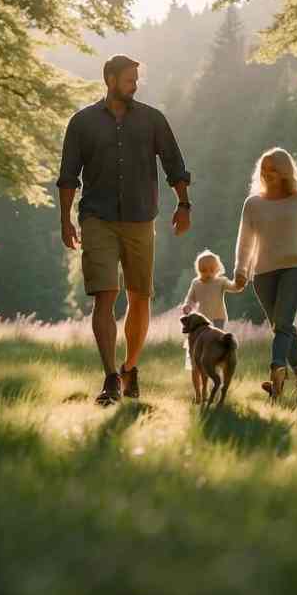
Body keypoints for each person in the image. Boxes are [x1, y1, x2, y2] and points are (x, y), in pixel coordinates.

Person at [57, 54, 192, 406]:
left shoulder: (152, 119)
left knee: (140, 296)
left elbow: (175, 162)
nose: (135, 84)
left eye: (137, 79)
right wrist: (65, 219)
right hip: (97, 218)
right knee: (104, 294)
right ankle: (110, 377)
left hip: (140, 218)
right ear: (110, 80)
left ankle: (130, 366)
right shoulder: (82, 122)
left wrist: (184, 203)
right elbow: (68, 175)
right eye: (129, 79)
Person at [233, 147, 297, 399]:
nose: (267, 173)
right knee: (283, 325)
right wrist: (241, 270)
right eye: (264, 169)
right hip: (263, 273)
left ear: (285, 171)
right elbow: (245, 241)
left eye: (273, 169)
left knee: (282, 324)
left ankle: (276, 370)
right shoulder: (253, 203)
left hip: (296, 267)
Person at [181, 249, 241, 401]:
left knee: (214, 355)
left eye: (210, 270)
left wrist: (240, 283)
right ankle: (199, 394)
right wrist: (187, 307)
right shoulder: (196, 283)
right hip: (199, 326)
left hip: (217, 321)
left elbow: (233, 286)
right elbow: (190, 299)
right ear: (198, 270)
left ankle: (219, 384)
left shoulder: (220, 281)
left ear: (217, 269)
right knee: (195, 359)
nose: (207, 273)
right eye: (203, 270)